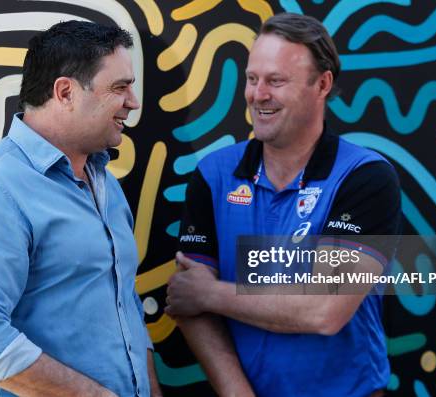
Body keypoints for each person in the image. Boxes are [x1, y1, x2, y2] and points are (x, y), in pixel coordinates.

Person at [166, 13, 402, 397]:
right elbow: (193, 311)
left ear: (322, 84)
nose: (258, 95)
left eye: (276, 81)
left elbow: (325, 311)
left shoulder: (365, 176)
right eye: (252, 78)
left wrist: (211, 294)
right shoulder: (213, 175)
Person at [0, 21, 161, 397]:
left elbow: (126, 307)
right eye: (120, 87)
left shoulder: (106, 184)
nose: (133, 101)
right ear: (65, 92)